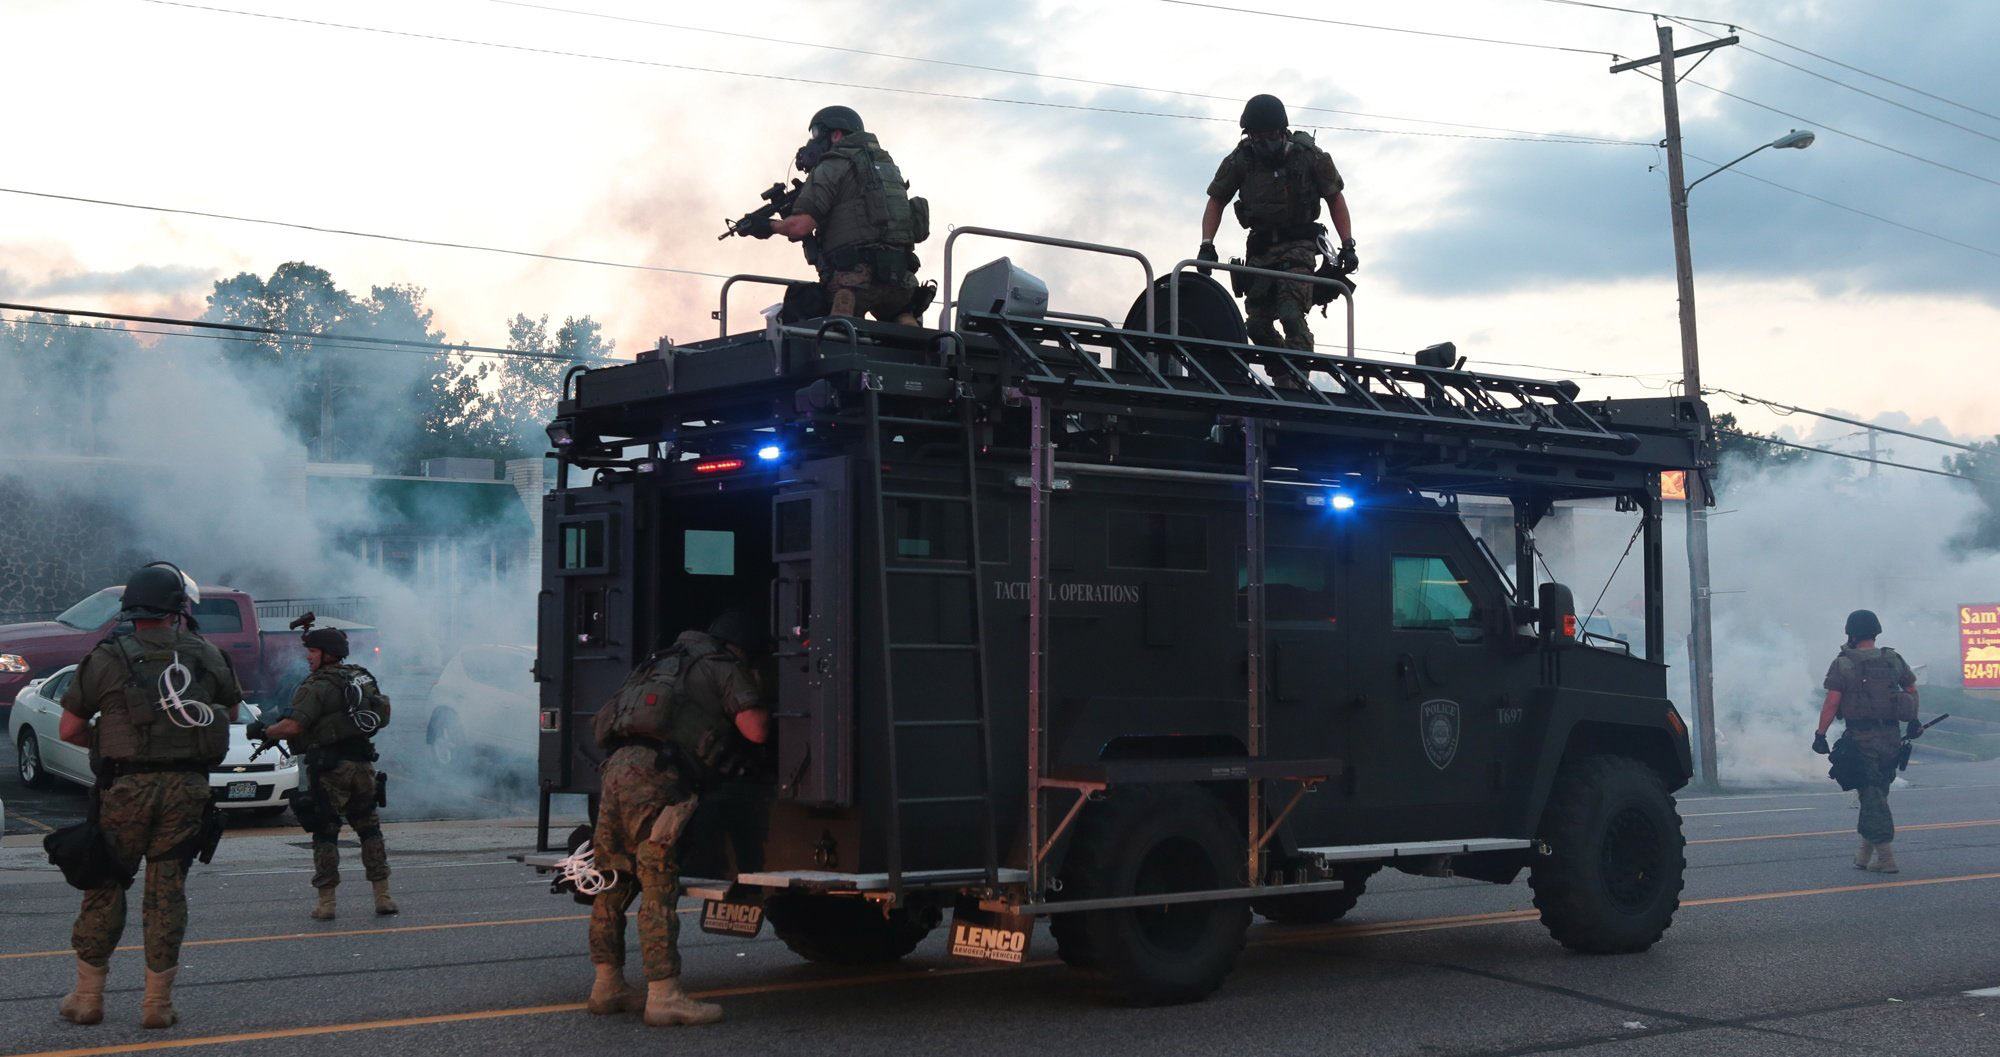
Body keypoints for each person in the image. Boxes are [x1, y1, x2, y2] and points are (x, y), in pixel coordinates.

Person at [57, 562, 240, 1029]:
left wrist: (109, 739)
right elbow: (230, 710)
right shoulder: (206, 653)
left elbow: (71, 727)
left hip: (126, 790)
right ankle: (157, 1005)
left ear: (130, 609)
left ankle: (87, 998)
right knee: (166, 894)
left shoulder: (105, 657)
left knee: (105, 885)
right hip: (186, 791)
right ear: (179, 608)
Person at [584, 610, 772, 1027]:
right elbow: (755, 729)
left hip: (615, 771)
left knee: (614, 882)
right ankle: (664, 995)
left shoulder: (661, 660)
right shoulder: (721, 665)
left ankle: (606, 985)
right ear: (741, 646)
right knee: (657, 884)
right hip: (658, 777)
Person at [252, 625, 396, 918]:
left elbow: (293, 726)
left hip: (330, 769)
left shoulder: (316, 685)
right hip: (363, 766)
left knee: (325, 833)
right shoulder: (361, 677)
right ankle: (383, 897)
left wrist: (266, 729)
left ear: (328, 655)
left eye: (313, 652)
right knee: (369, 829)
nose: (308, 658)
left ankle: (326, 903)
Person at [1199, 93, 1355, 353]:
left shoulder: (1308, 156)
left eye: (1270, 136)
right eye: (1257, 137)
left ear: (1283, 132)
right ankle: (1284, 375)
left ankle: (1300, 379)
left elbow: (1335, 197)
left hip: (1299, 246)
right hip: (1260, 250)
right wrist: (1207, 245)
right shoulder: (1241, 159)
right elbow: (1216, 200)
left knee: (1291, 315)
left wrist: (1347, 245)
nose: (1264, 143)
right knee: (1257, 327)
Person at [743, 105, 924, 325]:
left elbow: (800, 227)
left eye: (818, 134)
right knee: (897, 313)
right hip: (902, 283)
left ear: (836, 134)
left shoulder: (832, 165)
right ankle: (904, 318)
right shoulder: (887, 168)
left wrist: (767, 226)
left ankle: (843, 308)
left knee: (801, 306)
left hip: (854, 281)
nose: (813, 142)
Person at [1812, 609, 1920, 873]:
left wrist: (1820, 734)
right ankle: (1864, 853)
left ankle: (1885, 856)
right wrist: (1914, 720)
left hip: (1862, 738)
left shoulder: (1843, 663)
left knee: (1871, 794)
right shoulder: (1893, 659)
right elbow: (1911, 689)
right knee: (1876, 792)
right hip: (1892, 737)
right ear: (1875, 632)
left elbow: (1832, 701)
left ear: (1851, 633)